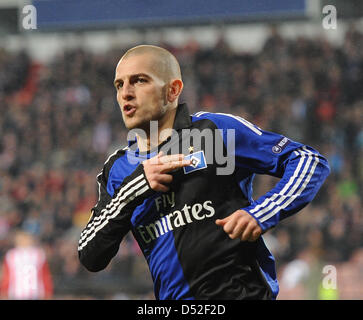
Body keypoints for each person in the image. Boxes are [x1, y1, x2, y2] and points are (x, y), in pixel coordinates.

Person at [78, 45, 330, 300]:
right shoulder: (118, 169)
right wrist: (137, 186)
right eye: (119, 85)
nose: (126, 94)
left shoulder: (213, 130)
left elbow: (308, 160)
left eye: (139, 81)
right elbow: (90, 255)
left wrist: (262, 213)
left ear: (173, 90)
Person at [0, 229, 53, 299]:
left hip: (22, 293)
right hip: (27, 293)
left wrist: (3, 290)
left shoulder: (11, 255)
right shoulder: (39, 254)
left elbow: (44, 275)